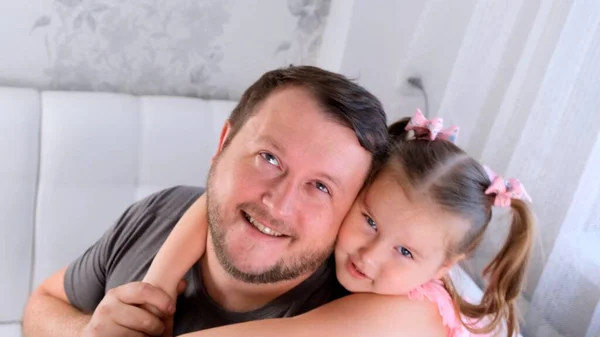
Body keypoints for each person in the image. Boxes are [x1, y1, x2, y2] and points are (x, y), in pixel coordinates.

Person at [21, 65, 389, 337]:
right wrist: (85, 332)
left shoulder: (359, 315)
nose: (279, 205)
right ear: (224, 143)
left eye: (321, 187)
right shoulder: (163, 211)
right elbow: (43, 302)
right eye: (269, 158)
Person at [146, 110, 536, 337]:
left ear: (446, 265)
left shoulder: (405, 314)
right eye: (370, 221)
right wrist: (154, 292)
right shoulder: (385, 262)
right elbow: (214, 202)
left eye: (404, 251)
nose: (368, 255)